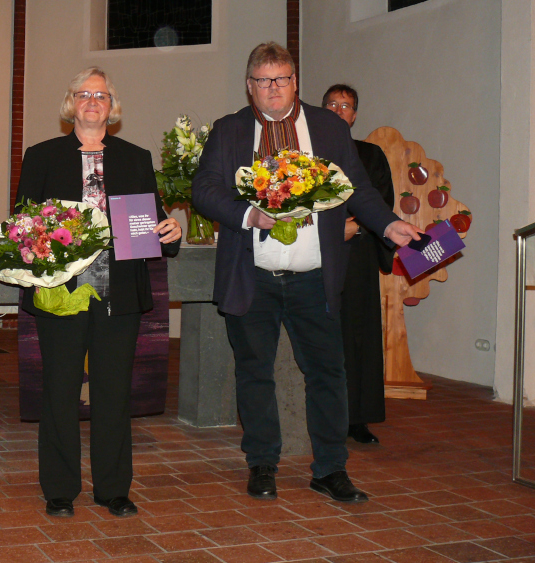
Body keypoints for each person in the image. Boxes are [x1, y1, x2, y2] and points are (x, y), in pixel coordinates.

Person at [192, 43, 421, 504]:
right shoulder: (230, 130)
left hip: (314, 276)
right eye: (262, 81)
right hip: (253, 274)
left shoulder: (328, 127)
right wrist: (249, 215)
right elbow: (205, 191)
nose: (272, 89)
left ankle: (330, 469)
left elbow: (357, 189)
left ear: (295, 81)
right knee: (254, 373)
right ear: (250, 86)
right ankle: (262, 464)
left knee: (327, 373)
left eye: (281, 79)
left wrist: (388, 222)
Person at [15, 67, 181, 519]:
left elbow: (154, 219)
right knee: (60, 392)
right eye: (84, 94)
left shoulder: (135, 156)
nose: (93, 101)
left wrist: (171, 230)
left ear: (113, 105)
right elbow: (22, 223)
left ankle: (113, 489)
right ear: (71, 103)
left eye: (101, 95)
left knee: (113, 393)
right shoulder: (42, 155)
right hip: (61, 292)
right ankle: (60, 489)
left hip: (118, 292)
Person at [322, 84, 395, 445]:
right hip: (316, 254)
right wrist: (336, 228)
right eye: (331, 104)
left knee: (358, 335)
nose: (338, 110)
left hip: (358, 254)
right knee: (322, 335)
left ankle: (357, 419)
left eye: (346, 106)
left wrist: (357, 226)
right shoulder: (304, 155)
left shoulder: (370, 154)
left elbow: (381, 202)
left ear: (354, 116)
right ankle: (321, 415)